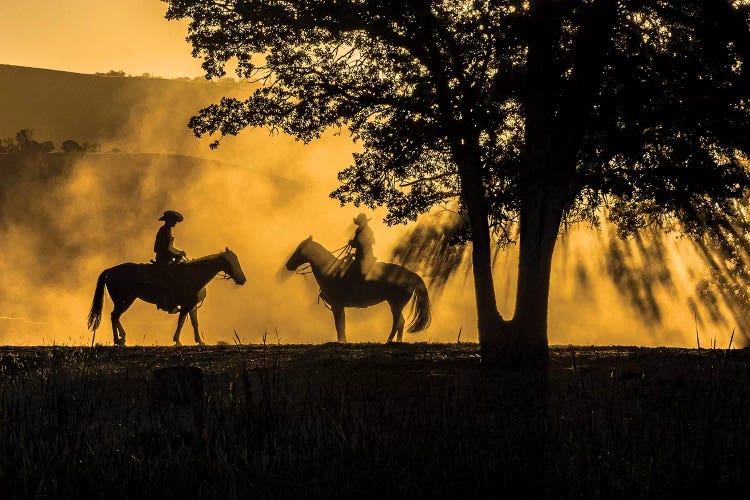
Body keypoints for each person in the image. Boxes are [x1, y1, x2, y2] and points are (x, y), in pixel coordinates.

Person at [349, 213, 376, 278]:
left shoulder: (367, 231)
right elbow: (357, 241)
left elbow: (363, 243)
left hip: (364, 256)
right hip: (359, 255)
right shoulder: (359, 229)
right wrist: (352, 242)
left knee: (352, 272)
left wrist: (352, 243)